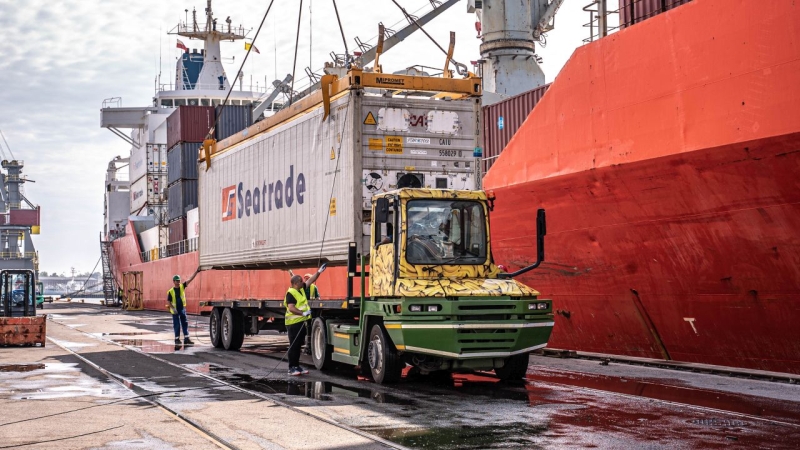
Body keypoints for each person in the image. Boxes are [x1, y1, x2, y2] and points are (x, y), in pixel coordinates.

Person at [284, 265, 326, 376]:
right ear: (295, 283)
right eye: (300, 281)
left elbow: (311, 280)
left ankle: (296, 366)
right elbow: (291, 308)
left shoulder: (300, 289)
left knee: (298, 345)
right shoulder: (291, 293)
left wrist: (319, 272)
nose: (303, 282)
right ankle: (291, 367)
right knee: (293, 345)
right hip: (293, 324)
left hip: (300, 322)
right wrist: (303, 313)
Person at [167, 270, 199, 345]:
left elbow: (190, 279)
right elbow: (168, 301)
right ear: (173, 281)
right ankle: (177, 339)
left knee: (185, 323)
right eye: (177, 281)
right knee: (177, 324)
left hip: (182, 309)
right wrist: (173, 308)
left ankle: (186, 338)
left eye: (179, 281)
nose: (178, 282)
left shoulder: (182, 286)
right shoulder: (171, 291)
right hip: (175, 311)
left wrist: (196, 272)